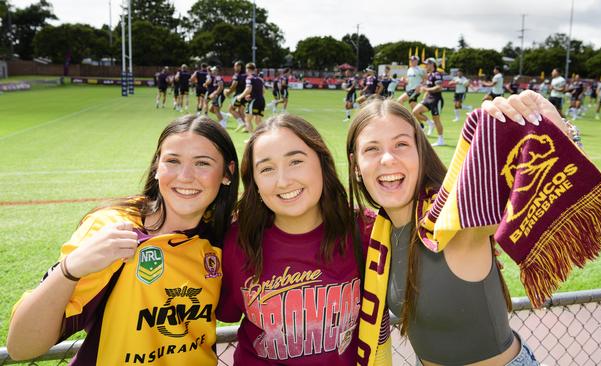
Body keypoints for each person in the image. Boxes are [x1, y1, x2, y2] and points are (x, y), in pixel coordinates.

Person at [7, 115, 239, 365]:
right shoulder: (114, 228)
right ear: (156, 167)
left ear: (227, 173)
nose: (184, 176)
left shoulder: (224, 236)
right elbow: (21, 348)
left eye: (202, 163)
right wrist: (69, 269)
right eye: (172, 160)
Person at [346, 97, 560, 366]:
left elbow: (535, 188)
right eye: (372, 149)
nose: (388, 159)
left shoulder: (455, 220)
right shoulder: (377, 232)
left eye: (401, 144)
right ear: (356, 166)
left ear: (420, 152)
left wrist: (554, 123)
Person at [217, 113, 372, 364]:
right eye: (266, 168)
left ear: (322, 162)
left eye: (295, 161)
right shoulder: (237, 241)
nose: (283, 180)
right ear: (254, 182)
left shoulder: (364, 231)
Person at [412, 58, 445, 146]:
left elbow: (439, 87)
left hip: (436, 99)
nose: (425, 66)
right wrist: (424, 96)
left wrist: (426, 89)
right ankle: (430, 123)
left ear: (432, 64)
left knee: (437, 119)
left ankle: (441, 140)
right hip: (428, 98)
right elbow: (428, 87)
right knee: (415, 112)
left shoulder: (437, 74)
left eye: (427, 64)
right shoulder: (429, 75)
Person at [236, 62, 266, 132]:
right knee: (258, 121)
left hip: (254, 101)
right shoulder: (260, 79)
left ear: (247, 69)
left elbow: (248, 89)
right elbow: (264, 91)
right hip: (261, 100)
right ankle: (264, 135)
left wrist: (240, 96)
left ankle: (252, 139)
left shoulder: (249, 78)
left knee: (247, 119)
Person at [227, 61, 248, 132]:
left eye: (235, 66)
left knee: (230, 109)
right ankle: (247, 127)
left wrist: (229, 92)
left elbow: (234, 84)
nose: (234, 67)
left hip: (238, 95)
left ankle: (241, 123)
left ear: (240, 66)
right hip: (245, 96)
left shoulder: (236, 75)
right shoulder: (246, 75)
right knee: (241, 111)